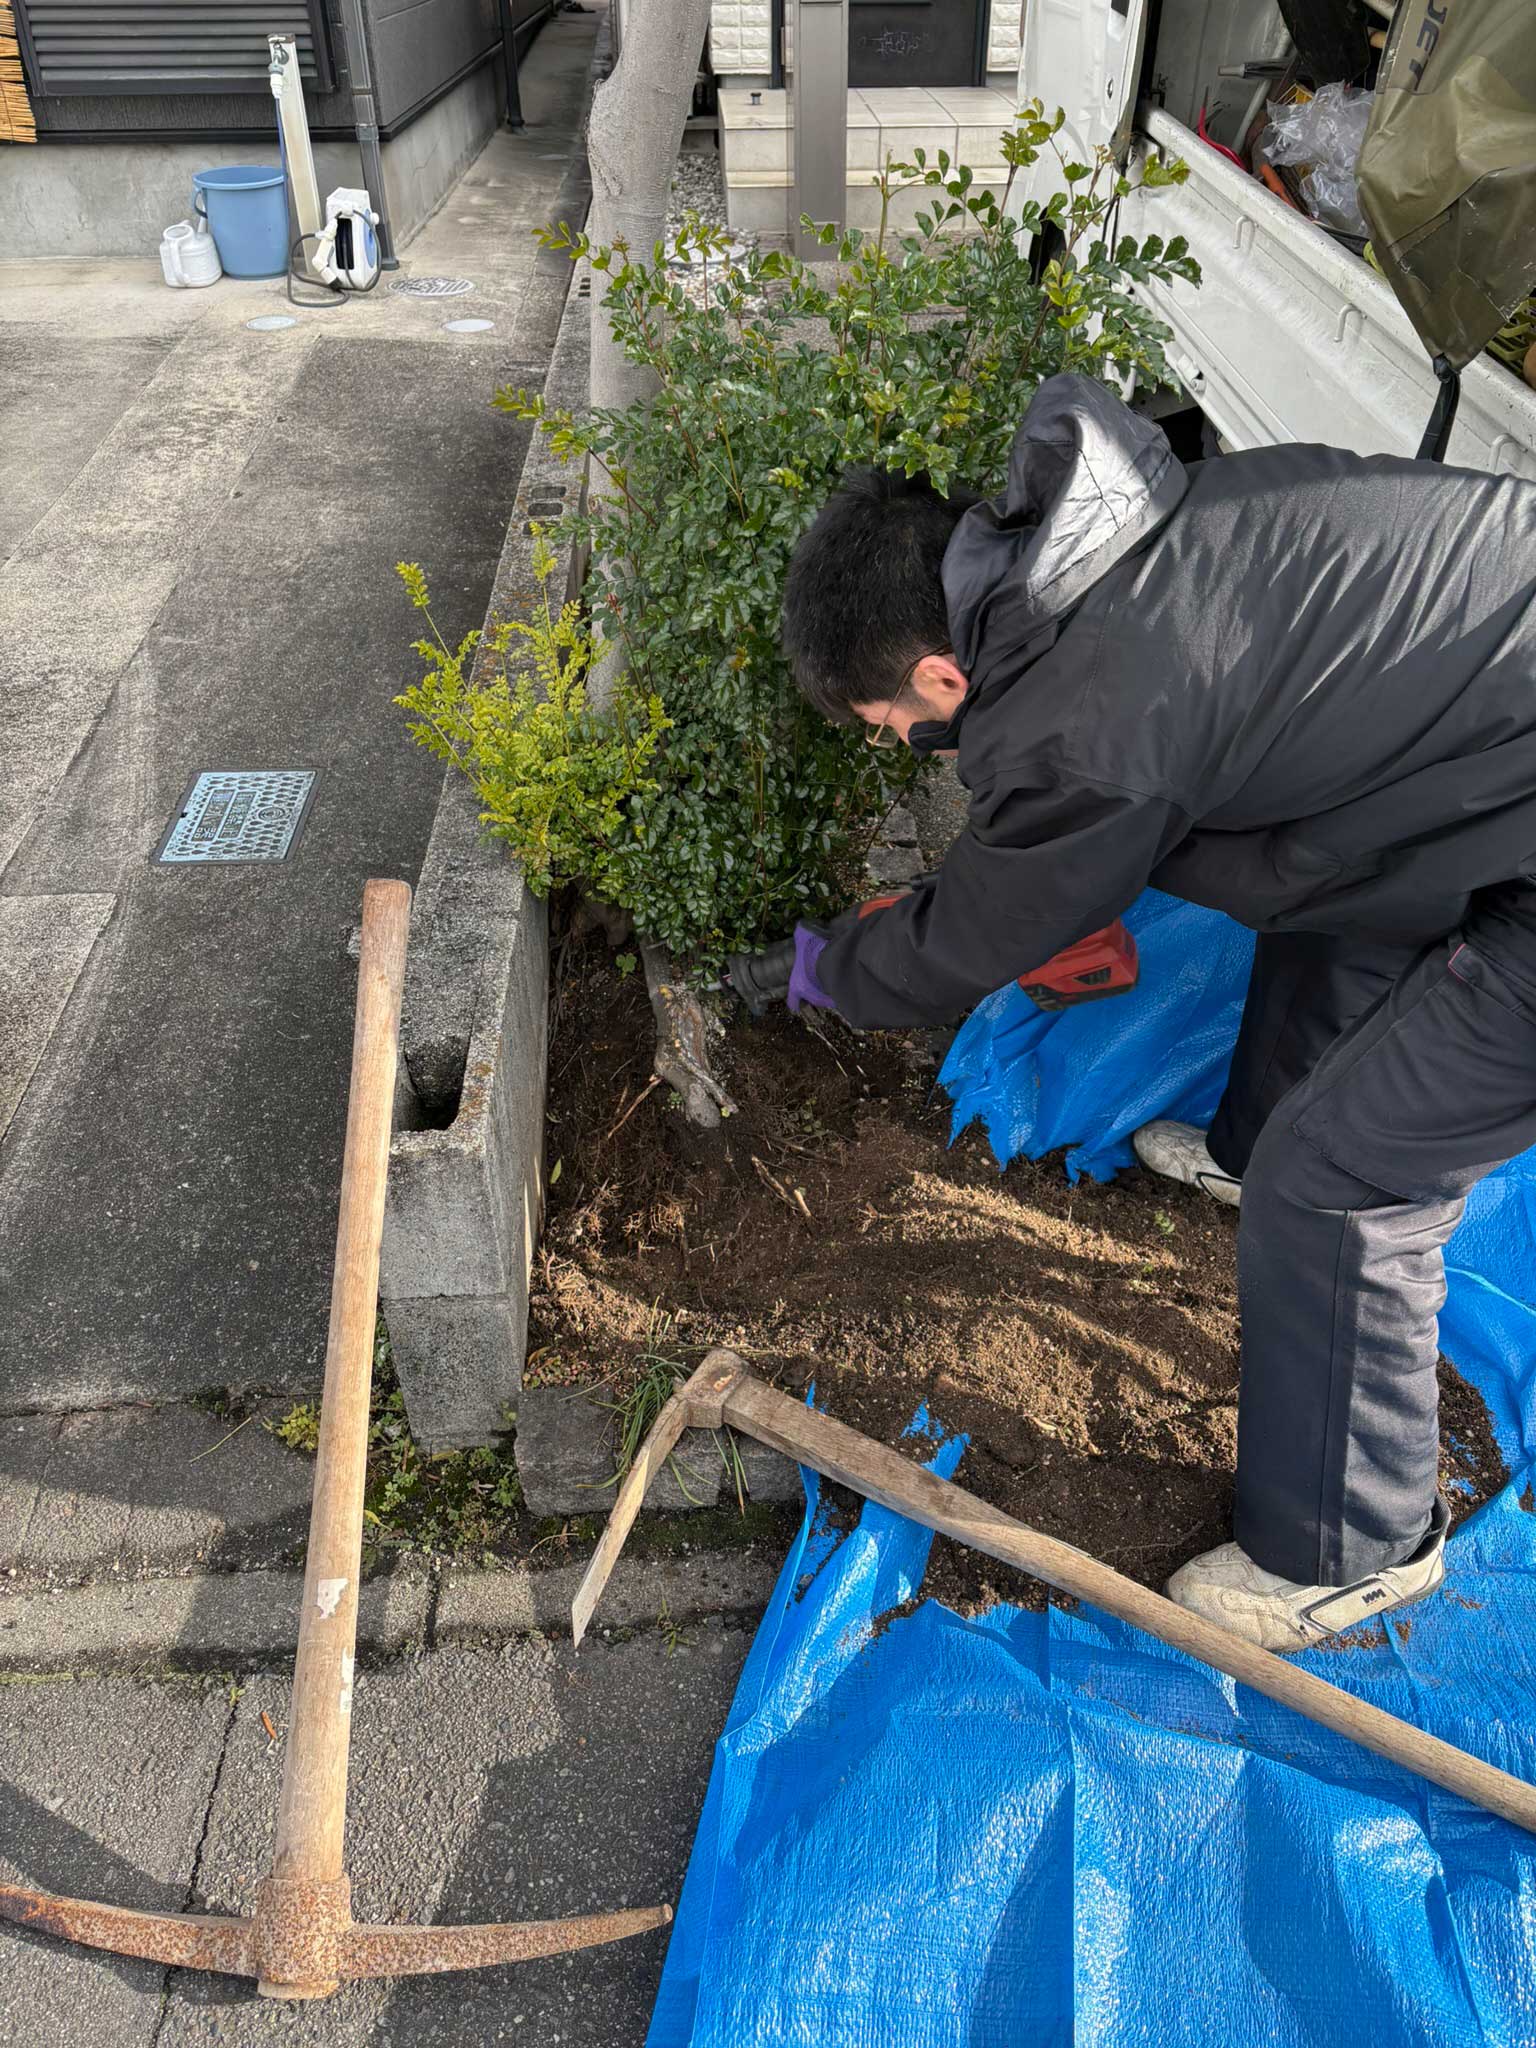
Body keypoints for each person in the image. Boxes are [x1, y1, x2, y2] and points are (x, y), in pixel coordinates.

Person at [778, 372, 1536, 1652]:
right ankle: (1247, 1156)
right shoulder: (1113, 540)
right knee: (1328, 915)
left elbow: (976, 929)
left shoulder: (1082, 717)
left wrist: (821, 971)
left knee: (1341, 1179)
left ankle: (1349, 1550)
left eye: (882, 721)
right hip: (1476, 760)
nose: (888, 740)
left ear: (936, 673)